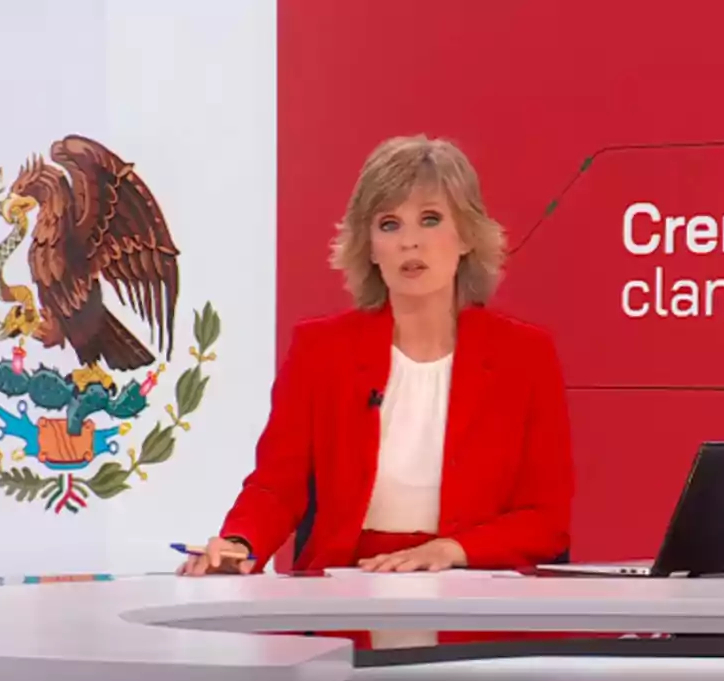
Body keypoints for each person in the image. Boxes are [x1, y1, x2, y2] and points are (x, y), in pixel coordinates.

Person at [178, 134, 573, 576]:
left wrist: (451, 551)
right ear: (369, 246)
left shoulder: (524, 357)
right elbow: (276, 487)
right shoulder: (321, 351)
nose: (410, 242)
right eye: (389, 224)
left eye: (430, 219)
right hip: (346, 590)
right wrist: (239, 543)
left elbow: (546, 520)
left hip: (474, 594)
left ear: (466, 236)